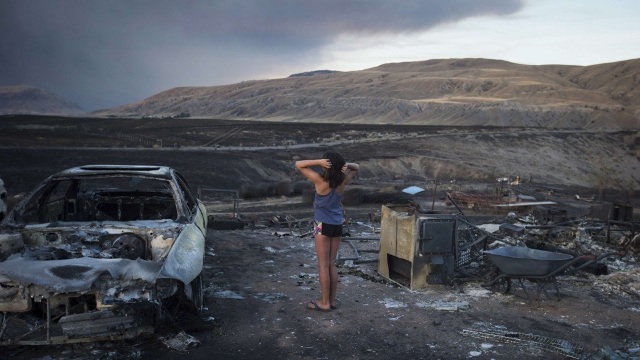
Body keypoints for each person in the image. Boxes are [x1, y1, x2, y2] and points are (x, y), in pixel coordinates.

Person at [295, 150, 359, 312]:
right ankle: (332, 300)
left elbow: (298, 165)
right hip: (337, 225)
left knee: (323, 265)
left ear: (327, 165)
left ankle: (324, 303)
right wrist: (345, 165)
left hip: (321, 225)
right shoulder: (342, 182)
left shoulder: (320, 181)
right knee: (332, 264)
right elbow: (356, 167)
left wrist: (318, 162)